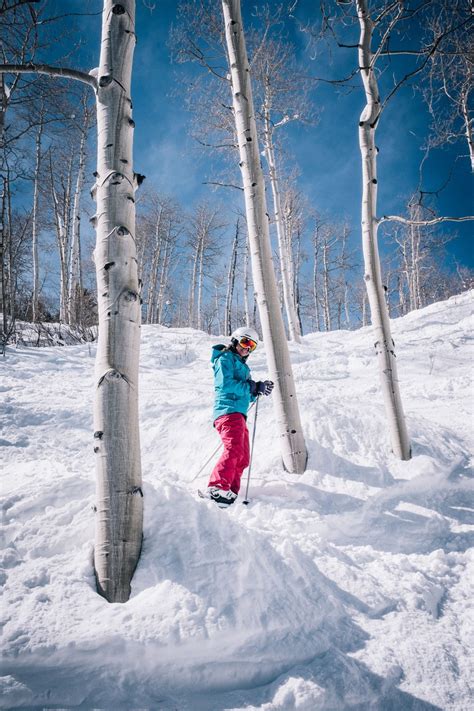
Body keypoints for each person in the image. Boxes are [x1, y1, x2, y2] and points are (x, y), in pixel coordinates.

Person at [205, 326, 274, 508]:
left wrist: (257, 390)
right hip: (228, 412)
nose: (246, 348)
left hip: (239, 414)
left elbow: (246, 393)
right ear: (235, 340)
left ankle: (230, 493)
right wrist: (251, 387)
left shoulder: (243, 366)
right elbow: (226, 385)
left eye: (251, 346)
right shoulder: (225, 359)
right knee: (234, 448)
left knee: (243, 457)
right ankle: (217, 487)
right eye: (244, 342)